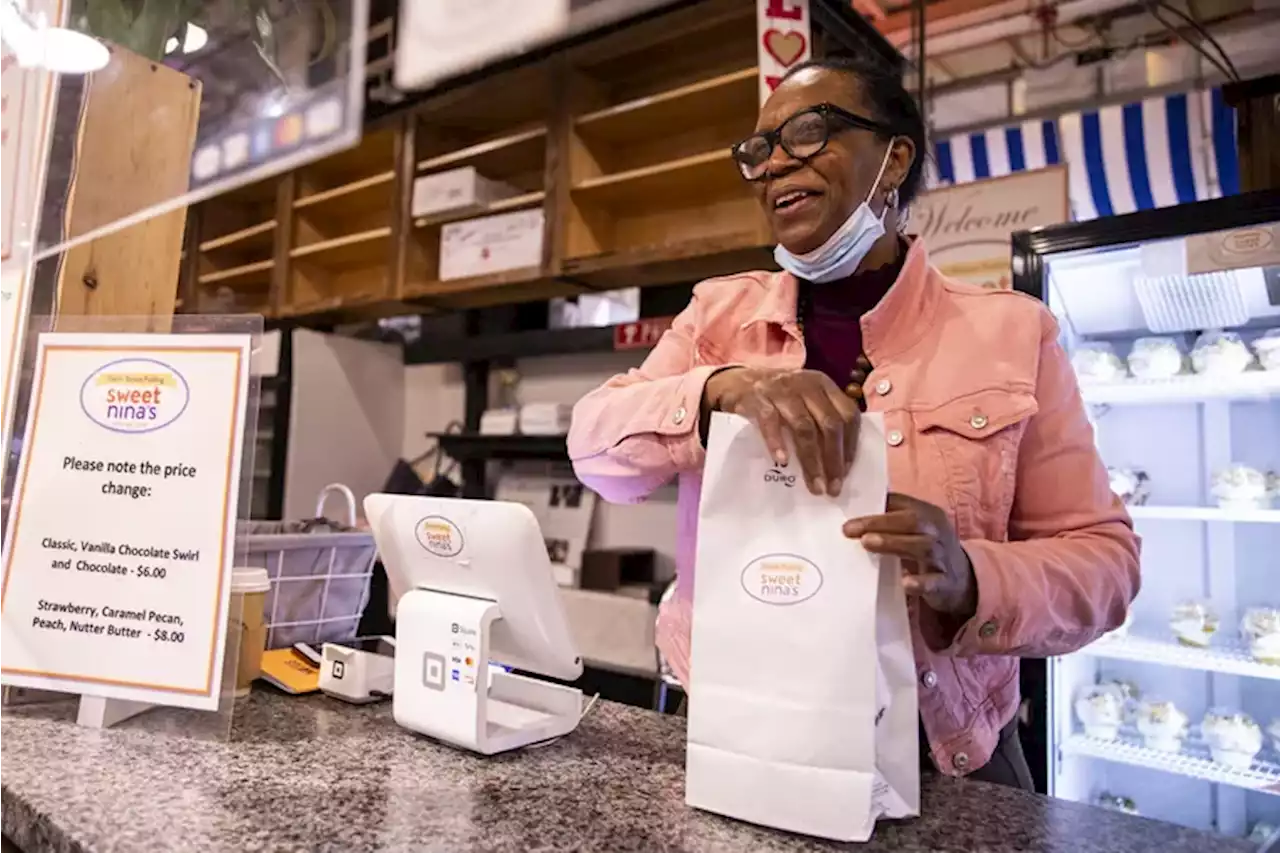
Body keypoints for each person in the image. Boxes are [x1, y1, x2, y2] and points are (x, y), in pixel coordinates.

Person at [567, 54, 1140, 790]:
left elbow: (1106, 563)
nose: (774, 164)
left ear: (893, 157)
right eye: (759, 149)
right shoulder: (718, 317)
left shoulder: (1012, 334)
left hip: (942, 753)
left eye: (808, 132)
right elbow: (593, 447)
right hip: (728, 725)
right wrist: (716, 392)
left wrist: (969, 575)